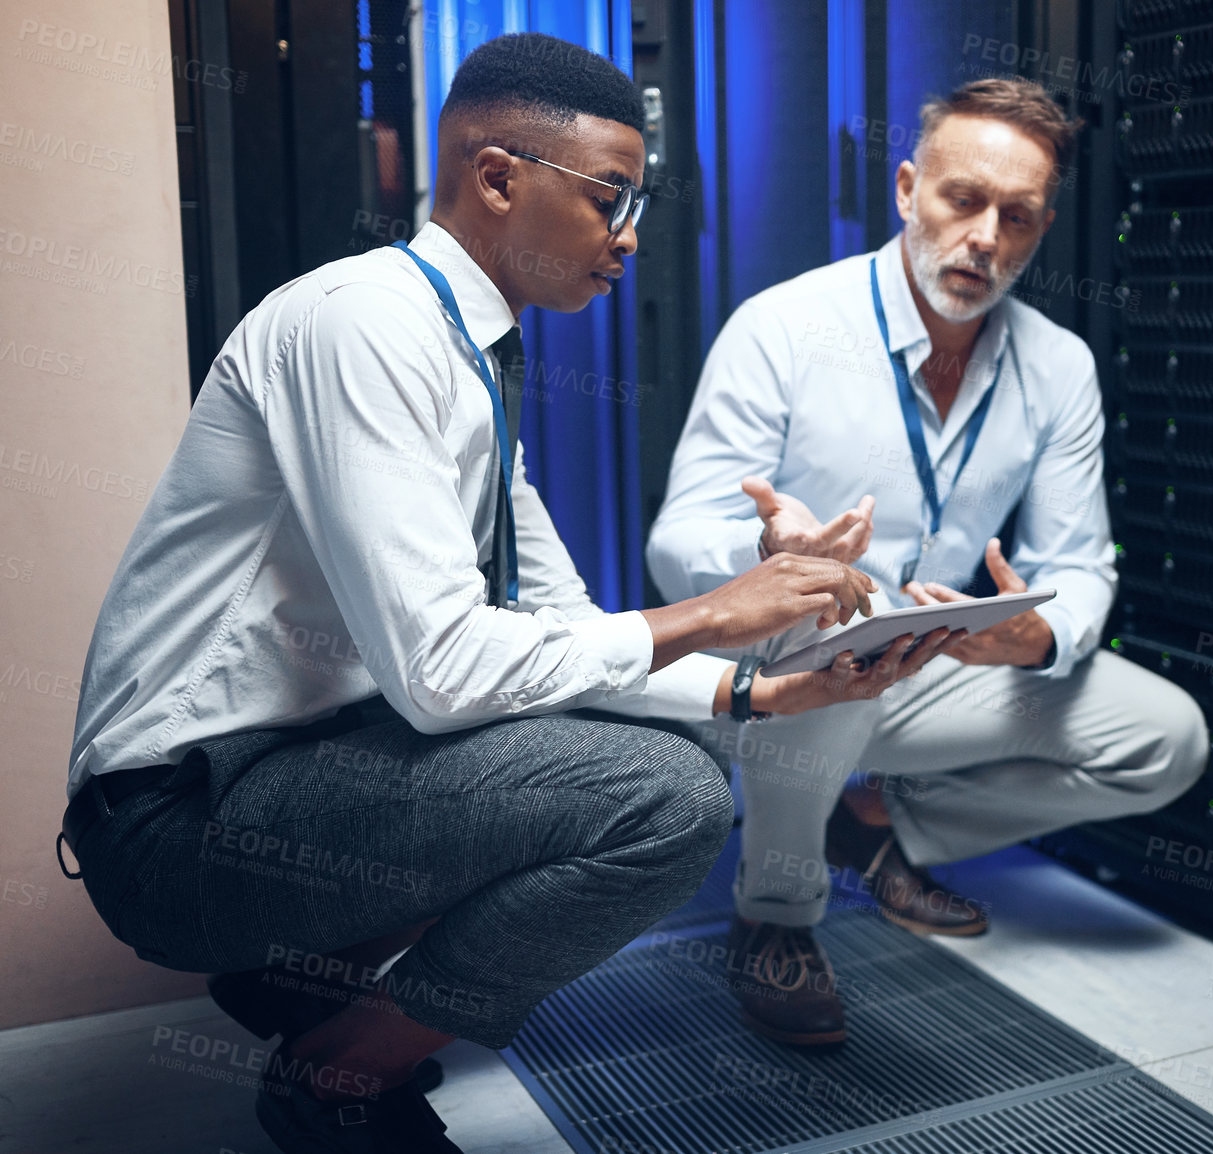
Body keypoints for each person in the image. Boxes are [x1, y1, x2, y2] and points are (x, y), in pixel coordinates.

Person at [60, 33, 956, 1154]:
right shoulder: (365, 324)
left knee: (638, 729)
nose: (629, 238)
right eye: (610, 199)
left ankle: (311, 977)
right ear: (496, 178)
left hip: (288, 776)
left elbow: (563, 635)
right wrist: (719, 610)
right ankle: (334, 1068)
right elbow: (441, 676)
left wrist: (766, 690)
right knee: (663, 799)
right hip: (176, 820)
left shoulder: (471, 361)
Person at [647, 77, 1210, 1047]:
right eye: (962, 199)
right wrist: (770, 555)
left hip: (942, 669)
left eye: (1018, 215)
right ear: (907, 187)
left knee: (1169, 739)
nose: (985, 237)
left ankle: (879, 827)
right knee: (818, 614)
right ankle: (775, 916)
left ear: (1038, 228)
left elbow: (1079, 562)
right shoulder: (784, 327)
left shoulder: (1058, 366)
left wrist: (1036, 633)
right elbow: (677, 537)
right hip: (776, 676)